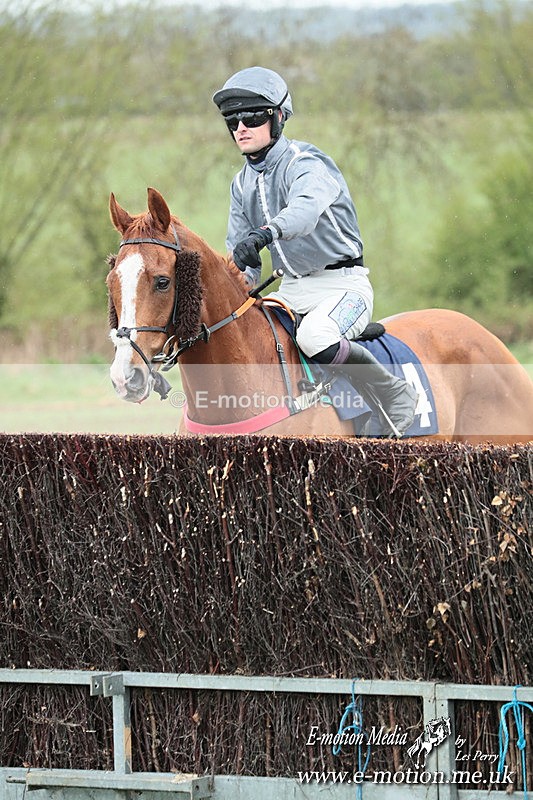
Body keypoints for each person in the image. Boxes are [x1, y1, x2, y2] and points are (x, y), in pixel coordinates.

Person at [212, 66, 417, 437]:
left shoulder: (307, 163)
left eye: (252, 117)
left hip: (343, 286)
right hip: (291, 291)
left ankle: (395, 394)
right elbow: (241, 253)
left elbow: (304, 212)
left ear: (278, 118)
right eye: (232, 120)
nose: (240, 127)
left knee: (314, 337)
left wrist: (265, 234)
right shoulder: (241, 183)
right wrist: (238, 278)